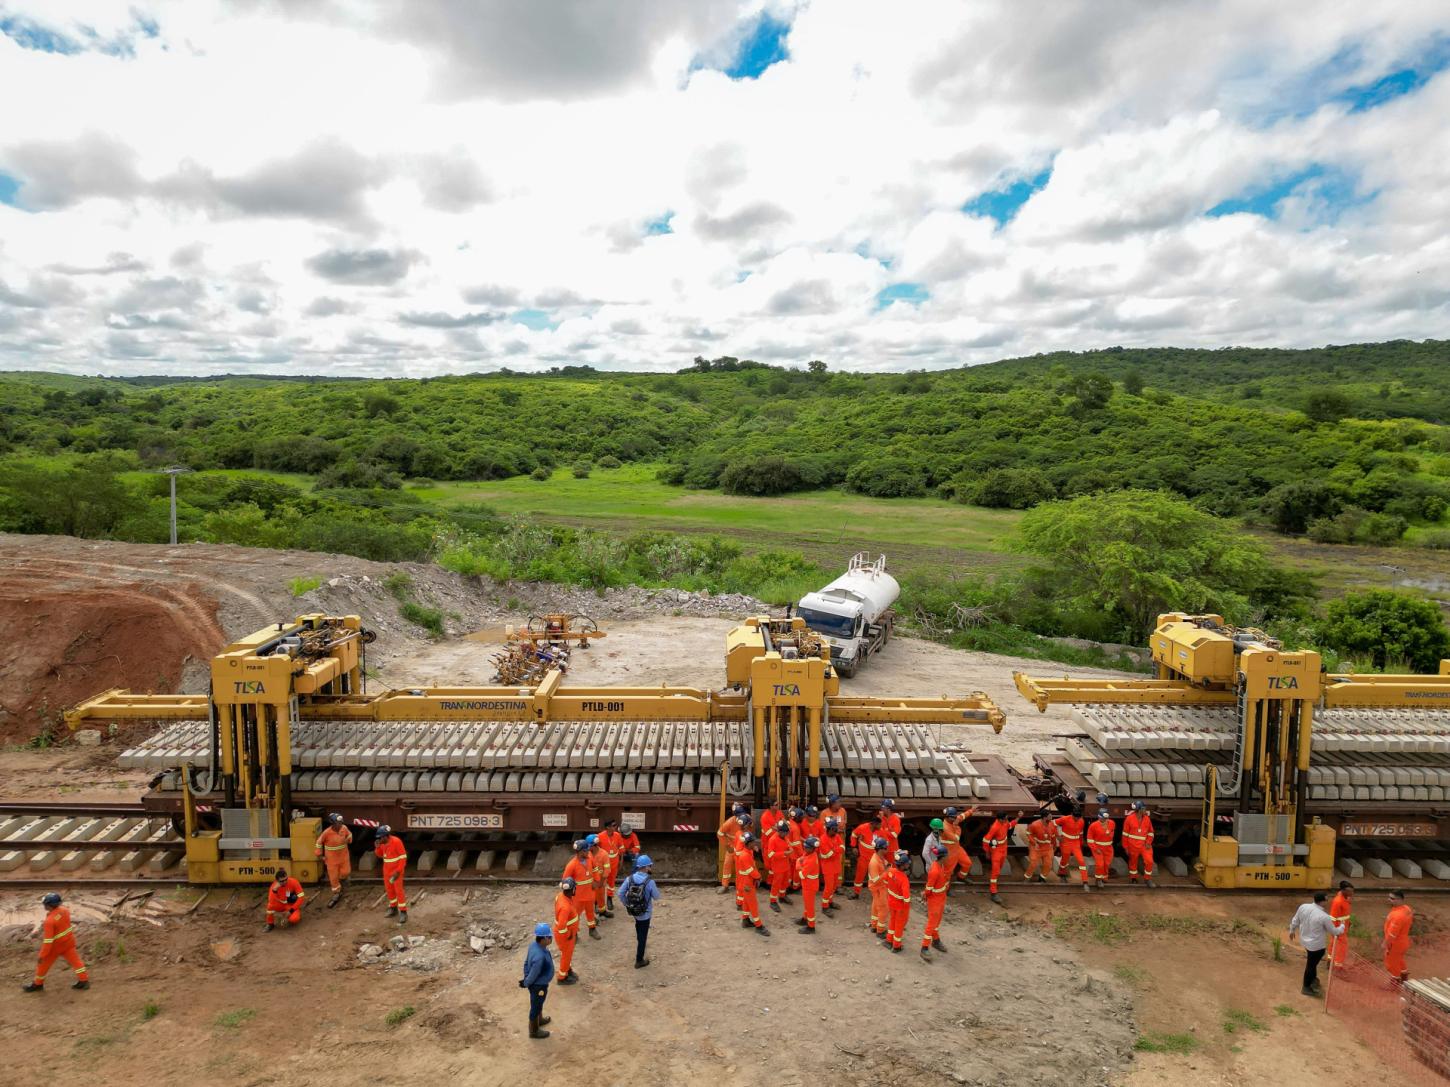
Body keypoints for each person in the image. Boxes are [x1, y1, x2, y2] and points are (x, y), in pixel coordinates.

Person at [22, 892, 88, 993]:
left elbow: (48, 941)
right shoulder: (65, 911)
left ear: (49, 905)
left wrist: (42, 955)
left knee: (42, 965)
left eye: (44, 904)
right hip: (68, 942)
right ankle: (84, 981)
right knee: (76, 962)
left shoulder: (49, 921)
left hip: (55, 947)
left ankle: (38, 984)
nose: (44, 905)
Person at [1289, 891, 1345, 996]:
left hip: (1305, 941)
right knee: (1311, 965)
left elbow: (1295, 920)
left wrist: (1292, 930)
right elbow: (1335, 932)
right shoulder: (1324, 916)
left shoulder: (1303, 907)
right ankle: (1306, 987)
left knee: (1312, 962)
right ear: (1323, 901)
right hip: (1316, 946)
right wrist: (1342, 926)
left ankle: (1314, 979)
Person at [618, 854, 661, 968]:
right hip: (645, 913)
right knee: (643, 935)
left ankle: (640, 941)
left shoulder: (629, 879)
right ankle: (639, 960)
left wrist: (627, 903)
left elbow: (620, 893)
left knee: (638, 927)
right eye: (650, 866)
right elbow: (657, 897)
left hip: (634, 911)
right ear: (646, 867)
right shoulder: (650, 882)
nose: (650, 868)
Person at [521, 922, 555, 1039]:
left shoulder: (533, 945)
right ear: (545, 938)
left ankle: (539, 1020)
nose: (551, 939)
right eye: (550, 937)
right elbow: (534, 973)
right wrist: (526, 982)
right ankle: (534, 1031)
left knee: (539, 1003)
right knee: (535, 1006)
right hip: (538, 986)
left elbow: (526, 963)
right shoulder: (539, 956)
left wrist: (526, 977)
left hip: (536, 984)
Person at [733, 831, 770, 936]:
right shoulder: (745, 855)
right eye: (753, 842)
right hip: (747, 883)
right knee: (753, 904)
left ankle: (745, 920)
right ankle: (759, 926)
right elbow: (750, 870)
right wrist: (758, 877)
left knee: (746, 903)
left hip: (747, 882)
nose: (755, 844)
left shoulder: (748, 851)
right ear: (748, 843)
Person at [982, 809, 1022, 904]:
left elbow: (1010, 825)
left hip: (1004, 848)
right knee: (995, 871)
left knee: (998, 869)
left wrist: (1019, 817)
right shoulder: (995, 827)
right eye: (1005, 819)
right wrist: (987, 853)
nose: (1006, 820)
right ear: (1000, 819)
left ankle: (994, 882)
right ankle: (993, 892)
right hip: (996, 851)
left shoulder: (1004, 822)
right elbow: (985, 840)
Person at [563, 839, 600, 940]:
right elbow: (565, 881)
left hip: (590, 894)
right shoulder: (571, 865)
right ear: (580, 852)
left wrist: (596, 881)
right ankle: (574, 934)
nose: (588, 852)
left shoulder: (589, 858)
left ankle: (592, 929)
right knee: (575, 916)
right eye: (586, 850)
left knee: (590, 912)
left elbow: (595, 869)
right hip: (577, 897)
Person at [315, 812, 353, 907]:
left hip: (344, 856)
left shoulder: (344, 828)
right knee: (333, 877)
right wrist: (320, 855)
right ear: (332, 823)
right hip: (332, 860)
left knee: (346, 872)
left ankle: (342, 881)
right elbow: (319, 843)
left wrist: (348, 839)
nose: (340, 824)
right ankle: (336, 893)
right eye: (338, 823)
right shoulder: (326, 833)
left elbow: (349, 835)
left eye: (340, 822)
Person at [920, 844, 950, 961]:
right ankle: (924, 947)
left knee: (936, 921)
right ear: (943, 857)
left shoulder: (940, 866)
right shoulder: (935, 870)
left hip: (941, 898)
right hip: (935, 900)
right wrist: (925, 895)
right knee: (932, 923)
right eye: (947, 855)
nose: (948, 857)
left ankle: (936, 940)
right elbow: (929, 888)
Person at [374, 825, 408, 923]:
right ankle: (393, 908)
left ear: (386, 836)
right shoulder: (382, 843)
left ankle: (403, 911)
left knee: (398, 891)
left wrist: (398, 872)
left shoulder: (396, 842)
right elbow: (380, 855)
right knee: (389, 890)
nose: (379, 839)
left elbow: (403, 858)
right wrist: (377, 848)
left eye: (380, 837)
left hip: (396, 871)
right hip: (387, 871)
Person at [1054, 806, 1089, 890]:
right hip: (1066, 842)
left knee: (1081, 861)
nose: (1077, 819)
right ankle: (1062, 874)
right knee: (1065, 859)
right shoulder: (1065, 819)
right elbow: (1052, 824)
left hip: (1076, 843)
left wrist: (1081, 844)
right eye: (1075, 817)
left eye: (1078, 817)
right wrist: (1057, 836)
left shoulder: (1081, 821)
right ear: (1072, 814)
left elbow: (1081, 833)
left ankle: (1085, 882)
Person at [553, 877, 581, 985]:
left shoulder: (561, 896)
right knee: (566, 955)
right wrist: (568, 934)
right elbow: (561, 926)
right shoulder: (565, 907)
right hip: (565, 935)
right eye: (575, 888)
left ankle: (567, 971)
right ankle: (562, 978)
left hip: (567, 934)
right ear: (572, 890)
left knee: (567, 955)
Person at [883, 849, 912, 953]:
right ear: (903, 866)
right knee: (899, 926)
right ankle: (896, 946)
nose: (908, 865)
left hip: (891, 902)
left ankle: (888, 941)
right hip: (900, 907)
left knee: (892, 921)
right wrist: (906, 908)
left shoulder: (891, 871)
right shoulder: (904, 879)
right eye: (907, 864)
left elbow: (885, 880)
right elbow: (907, 898)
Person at [1122, 801, 1156, 886]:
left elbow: (1151, 832)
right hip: (1132, 845)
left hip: (1145, 845)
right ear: (1139, 810)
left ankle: (1147, 879)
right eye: (1144, 808)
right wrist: (1126, 847)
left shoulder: (1147, 819)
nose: (1145, 810)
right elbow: (1125, 834)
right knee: (1133, 862)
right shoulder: (1129, 819)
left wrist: (1148, 842)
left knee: (1149, 861)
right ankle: (1133, 878)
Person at [1384, 889, 1414, 985]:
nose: (1389, 900)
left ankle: (1395, 982)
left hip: (1395, 943)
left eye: (1392, 898)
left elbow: (1392, 934)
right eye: (1389, 897)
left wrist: (1385, 943)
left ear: (1400, 899)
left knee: (1391, 963)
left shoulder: (1397, 916)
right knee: (1399, 959)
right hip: (1403, 941)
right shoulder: (1407, 909)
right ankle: (1404, 976)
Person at [940, 806, 973, 890]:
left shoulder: (953, 819)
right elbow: (956, 838)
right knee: (948, 872)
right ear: (947, 817)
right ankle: (946, 889)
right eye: (953, 817)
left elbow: (962, 816)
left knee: (967, 863)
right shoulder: (945, 827)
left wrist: (971, 810)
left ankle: (961, 877)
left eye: (955, 817)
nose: (955, 819)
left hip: (957, 848)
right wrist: (957, 827)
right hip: (949, 851)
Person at [717, 806, 747, 894]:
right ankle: (725, 885)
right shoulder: (730, 822)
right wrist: (727, 846)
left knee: (742, 867)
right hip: (733, 848)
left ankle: (742, 886)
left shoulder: (747, 819)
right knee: (727, 865)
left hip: (742, 848)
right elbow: (719, 833)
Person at [850, 815, 882, 898]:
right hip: (863, 857)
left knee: (875, 876)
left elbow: (885, 842)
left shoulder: (880, 831)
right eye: (879, 824)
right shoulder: (862, 827)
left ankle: (876, 893)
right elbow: (854, 834)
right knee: (859, 875)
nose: (880, 826)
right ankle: (856, 893)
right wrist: (853, 846)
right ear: (874, 824)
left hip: (874, 858)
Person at [765, 822, 793, 912]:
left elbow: (788, 844)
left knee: (785, 882)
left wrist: (790, 848)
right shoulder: (773, 840)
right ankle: (773, 901)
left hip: (785, 864)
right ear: (780, 831)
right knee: (776, 884)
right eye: (785, 832)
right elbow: (770, 854)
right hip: (777, 866)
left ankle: (782, 896)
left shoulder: (785, 837)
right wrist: (784, 853)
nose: (787, 834)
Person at [797, 837, 822, 934]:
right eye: (804, 847)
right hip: (808, 885)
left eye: (807, 848)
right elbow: (801, 859)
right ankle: (805, 918)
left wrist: (798, 865)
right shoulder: (809, 853)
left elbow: (802, 875)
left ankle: (811, 927)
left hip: (809, 886)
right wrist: (800, 862)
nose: (805, 849)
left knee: (810, 906)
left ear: (813, 848)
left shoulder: (811, 859)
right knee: (807, 905)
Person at [818, 818, 844, 912]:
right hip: (828, 867)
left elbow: (842, 847)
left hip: (836, 865)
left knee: (833, 887)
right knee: (828, 887)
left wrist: (834, 850)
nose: (836, 831)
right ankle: (824, 906)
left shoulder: (836, 836)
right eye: (835, 829)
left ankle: (830, 901)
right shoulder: (823, 839)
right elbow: (829, 854)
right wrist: (836, 850)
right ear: (829, 829)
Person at [1086, 809, 1116, 891]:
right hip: (1098, 848)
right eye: (1103, 818)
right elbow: (1089, 840)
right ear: (1099, 817)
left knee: (1107, 864)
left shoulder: (1112, 823)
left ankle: (1104, 878)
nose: (1105, 820)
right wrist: (1095, 849)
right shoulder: (1093, 826)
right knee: (1100, 864)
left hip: (1108, 848)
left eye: (1106, 818)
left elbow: (1111, 833)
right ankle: (1098, 880)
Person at [867, 836, 891, 938]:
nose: (887, 849)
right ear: (880, 849)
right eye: (885, 848)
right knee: (883, 908)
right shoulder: (874, 862)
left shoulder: (880, 858)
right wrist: (886, 872)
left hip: (880, 887)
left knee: (876, 907)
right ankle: (880, 931)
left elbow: (885, 865)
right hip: (878, 888)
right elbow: (875, 880)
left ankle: (874, 925)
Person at [1023, 811, 1056, 884]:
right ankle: (1027, 877)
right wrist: (1034, 843)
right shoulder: (1034, 824)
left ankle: (1042, 878)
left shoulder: (1052, 825)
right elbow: (1028, 833)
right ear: (1044, 818)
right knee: (1033, 863)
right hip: (1036, 847)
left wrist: (1054, 845)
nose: (1051, 818)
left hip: (1047, 847)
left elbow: (1053, 836)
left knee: (1048, 864)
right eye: (1050, 817)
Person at [1329, 880, 1353, 970]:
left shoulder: (1344, 899)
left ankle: (1330, 961)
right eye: (1349, 891)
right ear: (1343, 890)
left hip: (1342, 925)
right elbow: (1333, 917)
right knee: (1342, 946)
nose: (1351, 893)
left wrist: (1348, 921)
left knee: (1333, 943)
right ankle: (1338, 966)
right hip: (1339, 927)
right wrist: (1335, 930)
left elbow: (1344, 913)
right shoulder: (1338, 901)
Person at [600, 820, 623, 914]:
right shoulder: (600, 836)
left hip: (614, 863)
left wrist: (621, 861)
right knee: (600, 882)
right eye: (613, 825)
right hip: (603, 864)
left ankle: (609, 899)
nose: (615, 827)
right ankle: (598, 902)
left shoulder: (617, 835)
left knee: (611, 882)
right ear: (608, 827)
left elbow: (621, 848)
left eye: (615, 825)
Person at [589, 834, 611, 919]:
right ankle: (592, 916)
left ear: (594, 846)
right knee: (590, 898)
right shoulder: (587, 854)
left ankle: (602, 911)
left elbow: (607, 869)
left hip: (601, 881)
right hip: (591, 881)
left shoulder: (604, 854)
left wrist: (601, 882)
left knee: (601, 897)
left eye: (589, 846)